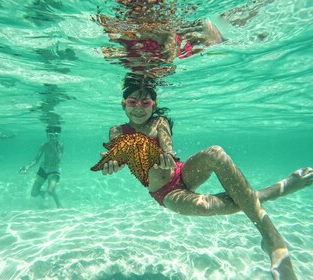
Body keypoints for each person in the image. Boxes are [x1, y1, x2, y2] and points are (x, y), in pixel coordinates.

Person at [97, 75, 313, 280]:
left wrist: (167, 156)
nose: (138, 108)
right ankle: (272, 192)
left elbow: (168, 147)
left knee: (215, 153)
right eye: (132, 102)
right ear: (123, 104)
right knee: (214, 206)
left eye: (145, 103)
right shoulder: (118, 130)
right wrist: (113, 162)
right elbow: (119, 153)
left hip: (183, 171)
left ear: (154, 104)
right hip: (167, 193)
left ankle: (272, 240)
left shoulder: (159, 122)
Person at [94, 0, 224, 78]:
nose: (148, 63)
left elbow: (104, 24)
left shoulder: (122, 53)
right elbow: (207, 28)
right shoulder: (183, 50)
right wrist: (170, 35)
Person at [19, 126, 63, 208]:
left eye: (56, 136)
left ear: (58, 136)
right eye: (50, 136)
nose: (53, 138)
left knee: (50, 191)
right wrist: (27, 167)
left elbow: (58, 160)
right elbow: (36, 160)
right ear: (47, 136)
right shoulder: (44, 146)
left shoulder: (60, 145)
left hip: (54, 170)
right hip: (43, 168)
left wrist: (54, 147)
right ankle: (45, 194)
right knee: (34, 193)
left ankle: (59, 205)